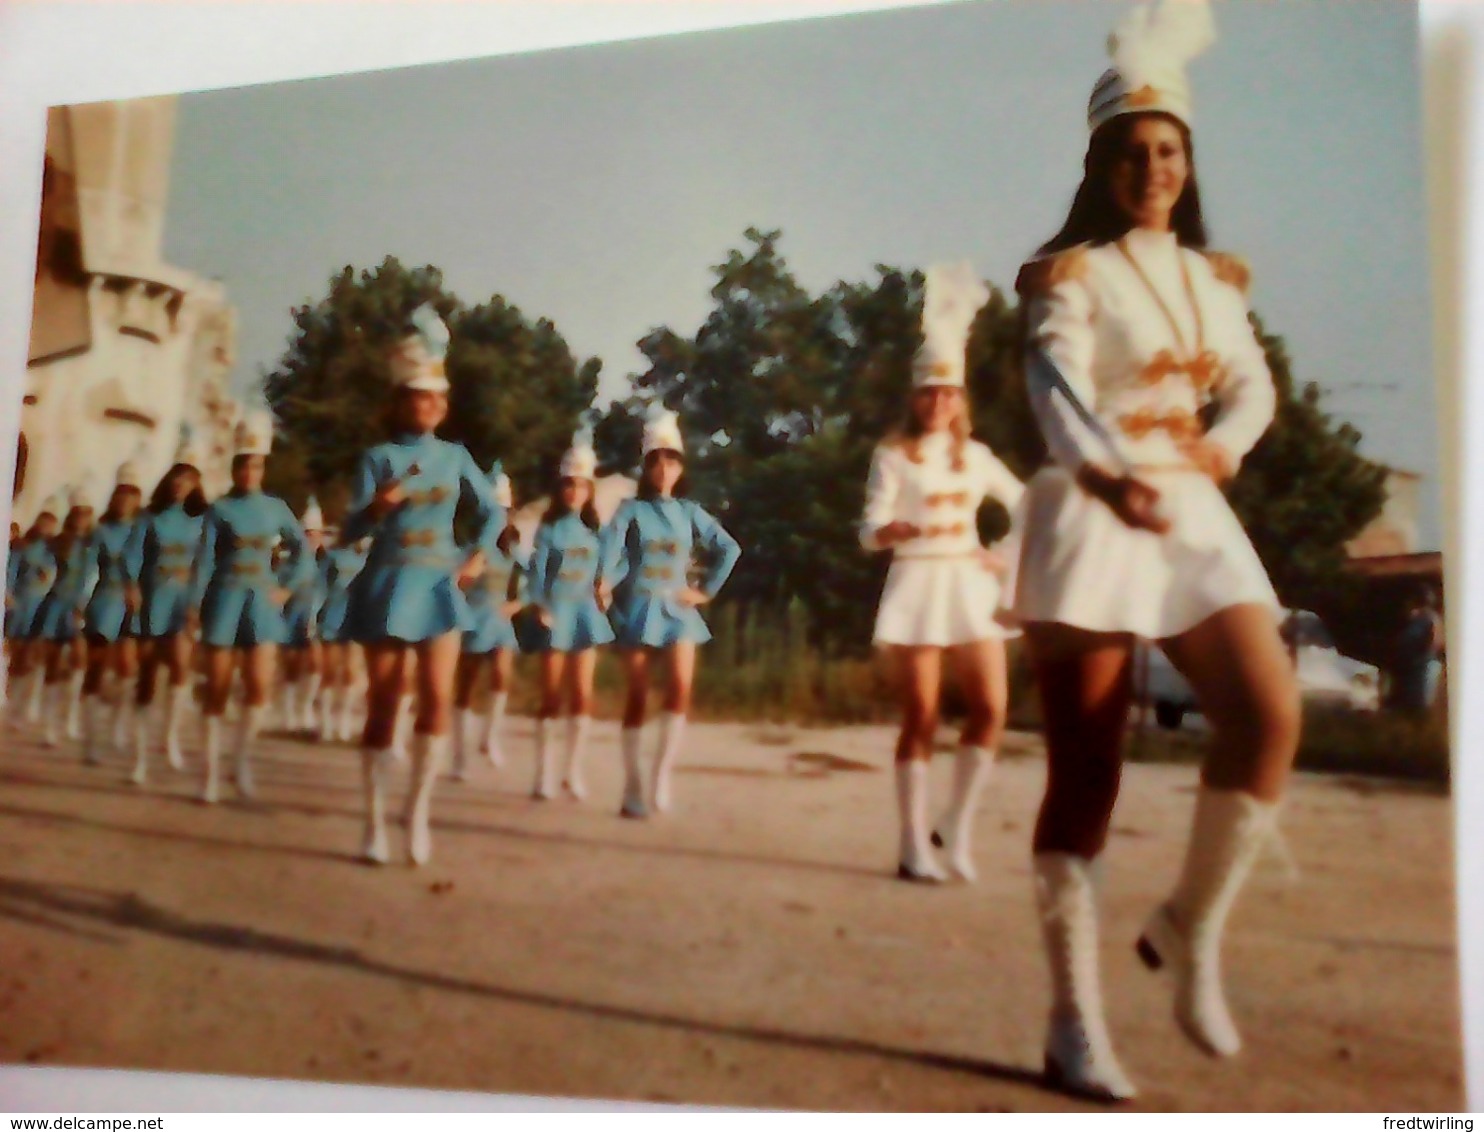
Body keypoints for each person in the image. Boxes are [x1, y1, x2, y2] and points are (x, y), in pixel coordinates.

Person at [1012, 0, 1298, 1101]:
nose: (1151, 168)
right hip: (1090, 504)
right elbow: (1050, 382)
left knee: (1268, 713)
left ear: (1187, 158)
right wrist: (1101, 469)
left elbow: (1252, 384)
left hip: (1190, 506)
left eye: (1167, 149)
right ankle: (1071, 1018)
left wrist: (1221, 450)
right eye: (1130, 152)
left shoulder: (1210, 279)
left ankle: (1186, 927)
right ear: (1100, 162)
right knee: (1087, 772)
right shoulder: (1070, 273)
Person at [858, 264, 1024, 883]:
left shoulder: (976, 457)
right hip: (918, 584)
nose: (938, 402)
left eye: (948, 393)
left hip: (969, 584)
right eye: (928, 391)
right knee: (922, 714)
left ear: (960, 400)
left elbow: (1028, 503)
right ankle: (911, 843)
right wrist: (890, 531)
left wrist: (1000, 553)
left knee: (990, 707)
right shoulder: (892, 455)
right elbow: (867, 529)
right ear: (915, 396)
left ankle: (956, 828)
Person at [342, 304, 498, 866]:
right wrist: (375, 507)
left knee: (436, 700)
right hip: (387, 581)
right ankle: (373, 820)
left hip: (438, 585)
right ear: (401, 401)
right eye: (417, 396)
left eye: (436, 398)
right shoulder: (378, 457)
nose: (428, 405)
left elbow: (493, 515)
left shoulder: (455, 457)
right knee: (385, 703)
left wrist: (476, 557)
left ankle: (419, 815)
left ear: (444, 404)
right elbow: (348, 528)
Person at [599, 406, 741, 818]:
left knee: (680, 686)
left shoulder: (689, 511)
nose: (663, 468)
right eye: (656, 460)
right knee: (638, 695)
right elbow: (611, 550)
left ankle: (662, 776)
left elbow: (729, 548)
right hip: (638, 605)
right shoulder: (631, 510)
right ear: (646, 466)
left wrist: (705, 591)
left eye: (671, 460)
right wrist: (603, 582)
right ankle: (633, 783)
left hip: (678, 609)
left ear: (680, 467)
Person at [190, 409, 315, 803]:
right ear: (234, 468)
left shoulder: (277, 508)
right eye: (242, 465)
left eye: (255, 466)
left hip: (261, 601)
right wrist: (194, 606)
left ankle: (240, 762)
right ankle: (209, 772)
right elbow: (205, 560)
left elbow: (303, 553)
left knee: (260, 685)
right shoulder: (220, 510)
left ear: (263, 468)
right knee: (218, 687)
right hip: (225, 598)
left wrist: (284, 587)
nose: (248, 473)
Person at [524, 426, 612, 802]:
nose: (575, 492)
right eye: (569, 485)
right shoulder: (549, 531)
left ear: (590, 491)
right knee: (551, 695)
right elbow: (534, 576)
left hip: (586, 615)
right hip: (556, 614)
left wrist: (604, 588)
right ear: (560, 489)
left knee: (583, 694)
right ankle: (543, 773)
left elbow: (607, 569)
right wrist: (540, 606)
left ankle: (571, 772)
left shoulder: (595, 532)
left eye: (582, 486)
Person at [128, 429, 210, 781]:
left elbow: (205, 564)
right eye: (177, 476)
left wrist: (196, 603)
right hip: (153, 597)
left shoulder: (203, 520)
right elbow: (132, 555)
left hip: (183, 600)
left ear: (196, 483)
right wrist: (131, 586)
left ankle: (170, 737)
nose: (181, 483)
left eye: (189, 477)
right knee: (146, 673)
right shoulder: (150, 517)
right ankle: (140, 755)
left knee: (179, 665)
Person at [451, 460, 524, 780]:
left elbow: (535, 582)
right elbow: (454, 583)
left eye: (505, 513)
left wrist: (516, 604)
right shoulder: (469, 550)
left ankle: (488, 737)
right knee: (465, 688)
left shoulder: (513, 551)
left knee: (502, 675)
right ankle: (459, 756)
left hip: (499, 619)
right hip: (473, 619)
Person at [78, 456, 146, 766]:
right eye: (121, 493)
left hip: (133, 605)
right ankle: (90, 738)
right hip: (105, 600)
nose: (125, 499)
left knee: (128, 669)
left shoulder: (144, 531)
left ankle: (116, 727)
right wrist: (82, 601)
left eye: (131, 493)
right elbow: (90, 569)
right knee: (96, 668)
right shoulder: (101, 531)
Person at [31, 481, 97, 749]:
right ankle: (49, 724)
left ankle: (70, 719)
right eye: (78, 513)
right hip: (58, 602)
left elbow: (95, 574)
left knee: (80, 661)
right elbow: (44, 565)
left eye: (86, 513)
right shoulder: (60, 543)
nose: (82, 518)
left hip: (81, 605)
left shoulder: (94, 543)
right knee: (54, 663)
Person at [5, 496, 64, 730]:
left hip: (41, 607)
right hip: (20, 603)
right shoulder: (24, 548)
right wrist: (7, 593)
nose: (46, 527)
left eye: (51, 523)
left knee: (31, 654)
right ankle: (6, 690)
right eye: (44, 522)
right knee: (13, 648)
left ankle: (23, 701)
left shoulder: (55, 551)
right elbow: (11, 570)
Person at [278, 496, 327, 737]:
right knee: (291, 667)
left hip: (313, 619)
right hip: (290, 619)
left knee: (316, 664)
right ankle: (288, 711)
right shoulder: (288, 563)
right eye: (307, 534)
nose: (312, 539)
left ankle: (304, 707)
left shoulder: (324, 563)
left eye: (316, 535)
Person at [316, 527, 370, 744]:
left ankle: (344, 721)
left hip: (356, 619)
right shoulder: (333, 556)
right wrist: (314, 616)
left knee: (351, 673)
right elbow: (320, 587)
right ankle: (325, 723)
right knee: (328, 672)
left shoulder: (369, 559)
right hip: (332, 617)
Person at [1394, 587, 1444, 712]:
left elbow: (1434, 641)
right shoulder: (1425, 619)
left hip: (1422, 665)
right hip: (1418, 665)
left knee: (1420, 704)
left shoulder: (1427, 620)